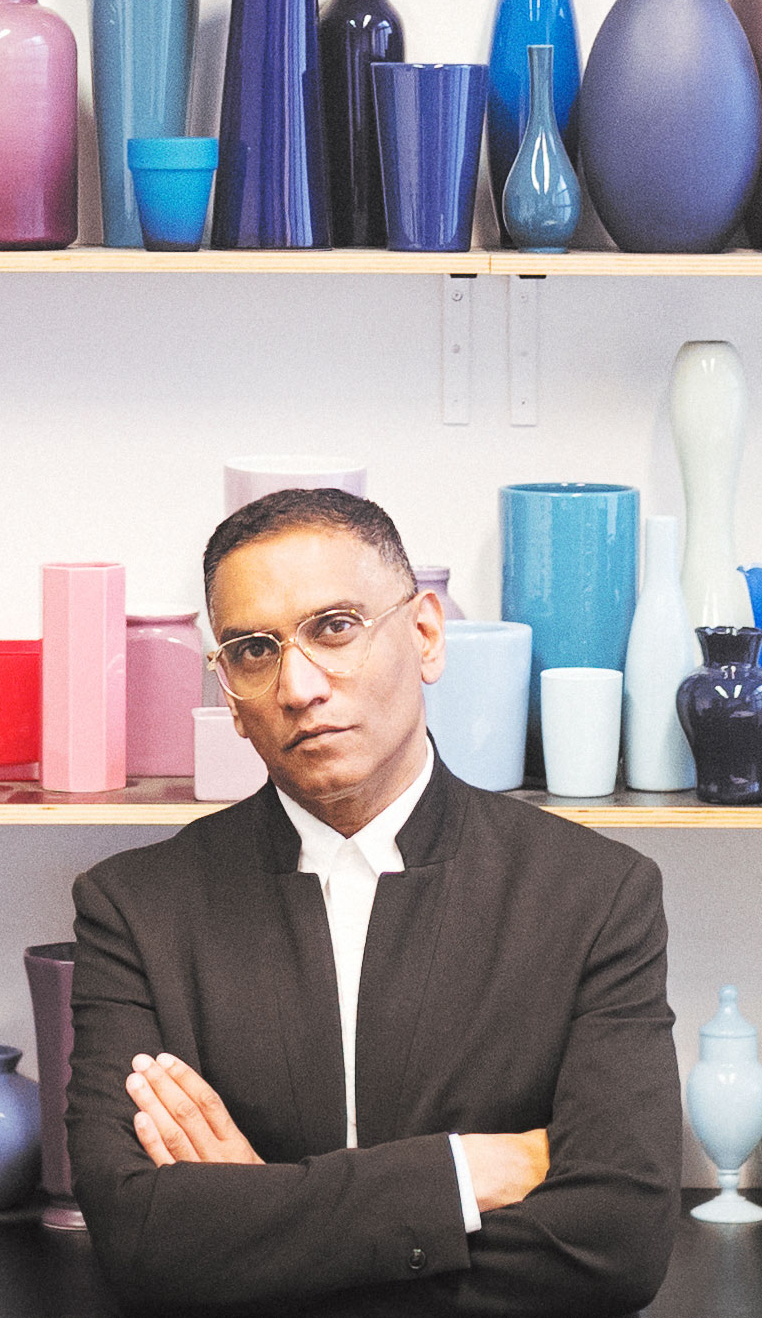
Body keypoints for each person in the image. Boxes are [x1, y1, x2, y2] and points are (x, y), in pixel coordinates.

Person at [66, 489, 682, 1317]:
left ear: (425, 634)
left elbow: (616, 1246)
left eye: (333, 628)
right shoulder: (135, 909)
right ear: (230, 695)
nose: (298, 685)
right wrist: (458, 1178)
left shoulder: (596, 894)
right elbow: (140, 1242)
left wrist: (262, 1231)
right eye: (253, 650)